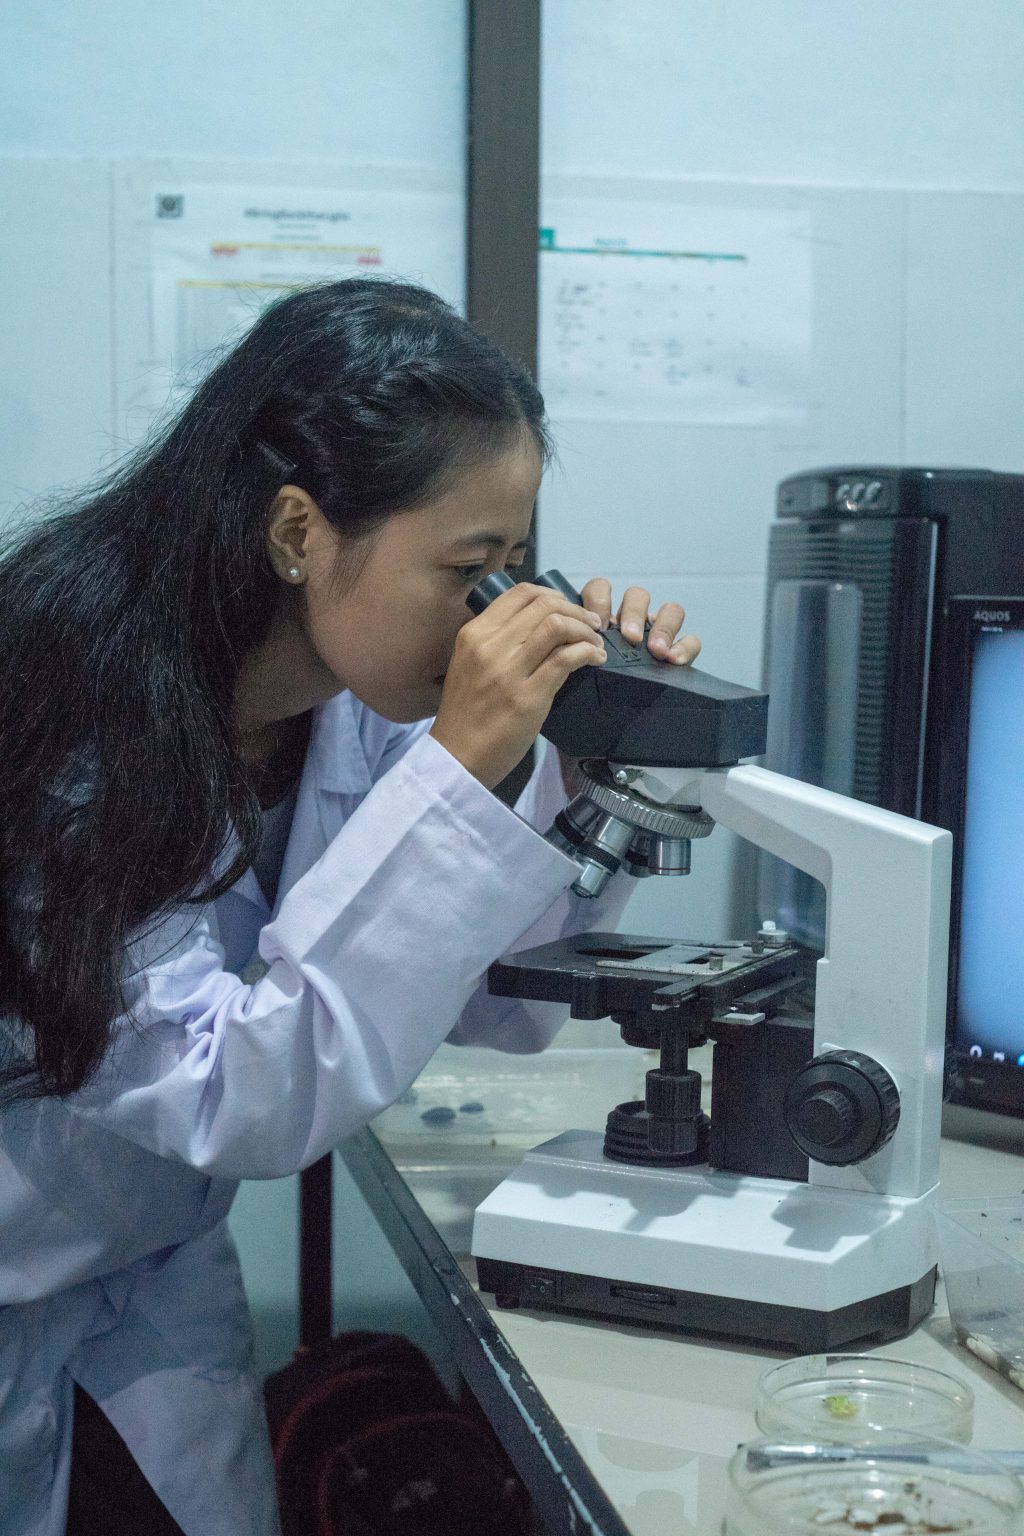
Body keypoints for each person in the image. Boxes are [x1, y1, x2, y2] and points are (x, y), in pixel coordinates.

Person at [0, 278, 700, 1536]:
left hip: (144, 1280)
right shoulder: (71, 714)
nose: (498, 612)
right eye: (467, 569)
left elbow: (486, 997)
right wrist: (455, 770)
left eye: (516, 567)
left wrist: (588, 784)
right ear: (296, 532)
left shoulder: (356, 707)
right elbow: (236, 1091)